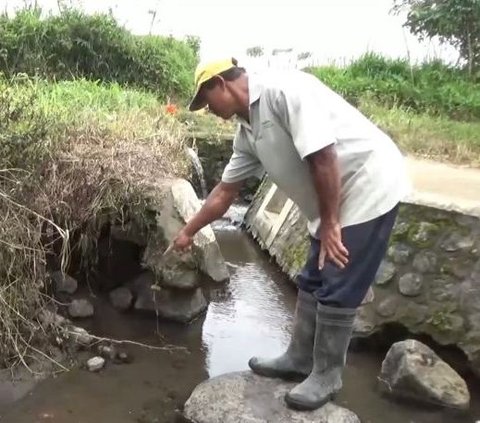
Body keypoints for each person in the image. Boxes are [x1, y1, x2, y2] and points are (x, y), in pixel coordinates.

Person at [172, 57, 410, 410]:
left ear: (221, 84)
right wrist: (188, 232)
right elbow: (223, 193)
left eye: (208, 102)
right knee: (312, 277)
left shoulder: (284, 91)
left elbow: (324, 157)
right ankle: (299, 358)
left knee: (337, 280)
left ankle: (327, 375)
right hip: (332, 199)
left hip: (367, 185)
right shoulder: (246, 132)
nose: (209, 110)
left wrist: (331, 224)